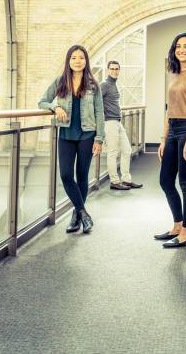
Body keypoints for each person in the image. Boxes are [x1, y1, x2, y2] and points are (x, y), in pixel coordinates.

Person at [39, 44, 104, 234]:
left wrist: (99, 139)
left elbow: (100, 112)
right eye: (74, 58)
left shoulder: (93, 84)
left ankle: (76, 218)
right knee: (66, 175)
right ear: (69, 61)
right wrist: (55, 107)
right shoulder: (60, 81)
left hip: (87, 134)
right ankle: (83, 213)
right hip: (66, 134)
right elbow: (42, 101)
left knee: (82, 176)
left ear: (86, 61)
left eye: (81, 58)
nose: (78, 61)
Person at [154, 32, 186, 248]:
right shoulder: (174, 72)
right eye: (178, 46)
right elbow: (169, 109)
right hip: (173, 128)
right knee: (166, 181)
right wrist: (164, 139)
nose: (182, 50)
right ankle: (177, 225)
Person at [100, 60, 142, 191]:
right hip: (109, 122)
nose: (114, 71)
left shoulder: (115, 84)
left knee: (127, 150)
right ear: (108, 70)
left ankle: (126, 179)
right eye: (112, 69)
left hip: (117, 122)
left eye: (117, 69)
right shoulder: (104, 85)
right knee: (112, 152)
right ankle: (114, 181)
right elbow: (97, 104)